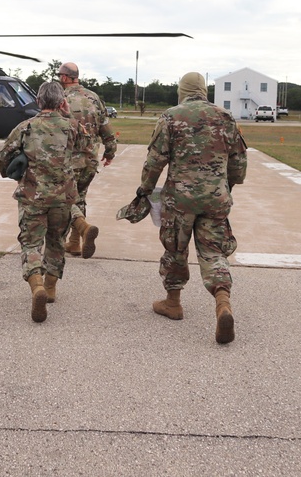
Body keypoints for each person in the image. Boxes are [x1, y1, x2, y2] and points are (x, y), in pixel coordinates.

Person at [136, 72, 247, 344]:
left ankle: (173, 303)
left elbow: (155, 160)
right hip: (215, 199)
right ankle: (222, 302)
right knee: (213, 252)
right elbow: (239, 164)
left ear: (181, 91)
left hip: (180, 200)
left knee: (176, 248)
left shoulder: (171, 116)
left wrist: (145, 189)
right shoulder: (226, 117)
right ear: (204, 90)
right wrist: (227, 186)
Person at [0, 81, 79, 323]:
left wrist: (17, 170)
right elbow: (81, 151)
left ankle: (37, 287)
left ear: (39, 101)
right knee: (56, 241)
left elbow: (4, 160)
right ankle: (51, 288)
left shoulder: (26, 127)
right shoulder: (72, 127)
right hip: (63, 198)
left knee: (31, 244)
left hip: (33, 197)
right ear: (62, 102)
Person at [57, 62, 117, 258]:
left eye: (59, 75)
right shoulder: (94, 97)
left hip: (68, 160)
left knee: (64, 199)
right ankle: (74, 243)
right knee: (79, 197)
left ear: (65, 77)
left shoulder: (61, 98)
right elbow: (106, 128)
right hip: (90, 160)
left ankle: (81, 230)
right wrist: (109, 153)